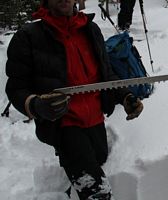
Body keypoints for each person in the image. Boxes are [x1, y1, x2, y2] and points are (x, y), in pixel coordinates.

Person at [5, 0, 143, 199]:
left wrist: (125, 96)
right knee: (95, 190)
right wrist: (36, 105)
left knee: (99, 158)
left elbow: (106, 75)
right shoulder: (28, 37)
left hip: (95, 117)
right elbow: (16, 87)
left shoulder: (91, 29)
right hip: (63, 122)